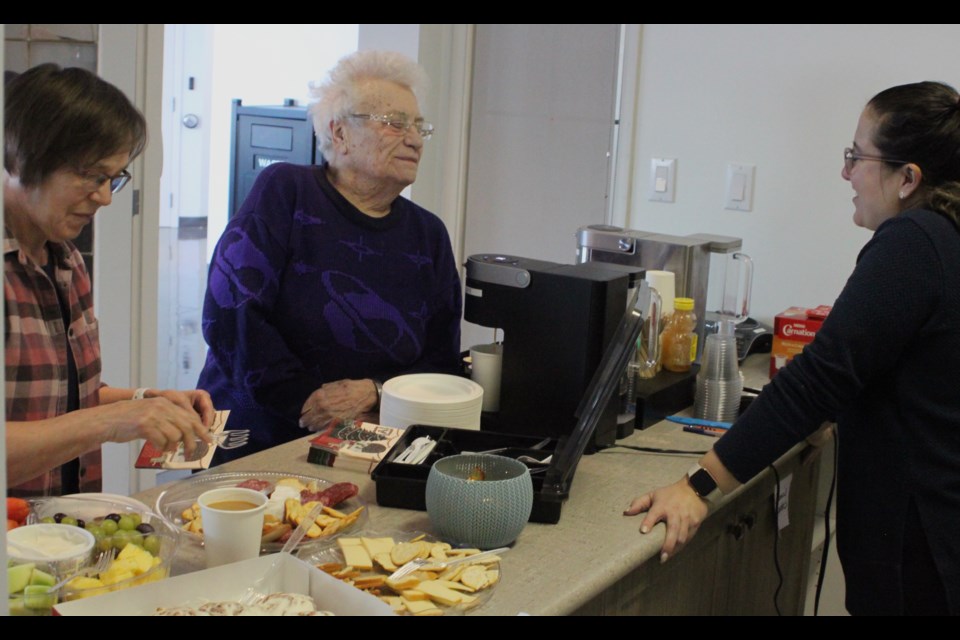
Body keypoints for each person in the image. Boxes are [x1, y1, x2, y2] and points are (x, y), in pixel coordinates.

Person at [625, 81, 960, 616]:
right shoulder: (947, 237)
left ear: (908, 178)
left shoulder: (914, 243)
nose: (846, 172)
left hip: (920, 551)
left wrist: (699, 483)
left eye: (857, 156)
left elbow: (818, 378)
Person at [198, 50, 462, 461]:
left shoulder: (428, 234)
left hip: (371, 445)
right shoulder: (285, 192)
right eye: (394, 124)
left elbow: (441, 361)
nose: (413, 139)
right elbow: (231, 313)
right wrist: (306, 402)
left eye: (418, 127)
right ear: (339, 134)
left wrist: (376, 389)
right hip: (262, 436)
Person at [4, 64, 215, 496]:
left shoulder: (65, 261)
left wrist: (145, 403)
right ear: (23, 157)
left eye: (112, 179)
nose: (103, 197)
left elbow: (56, 399)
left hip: (58, 533)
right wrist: (112, 422)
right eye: (91, 176)